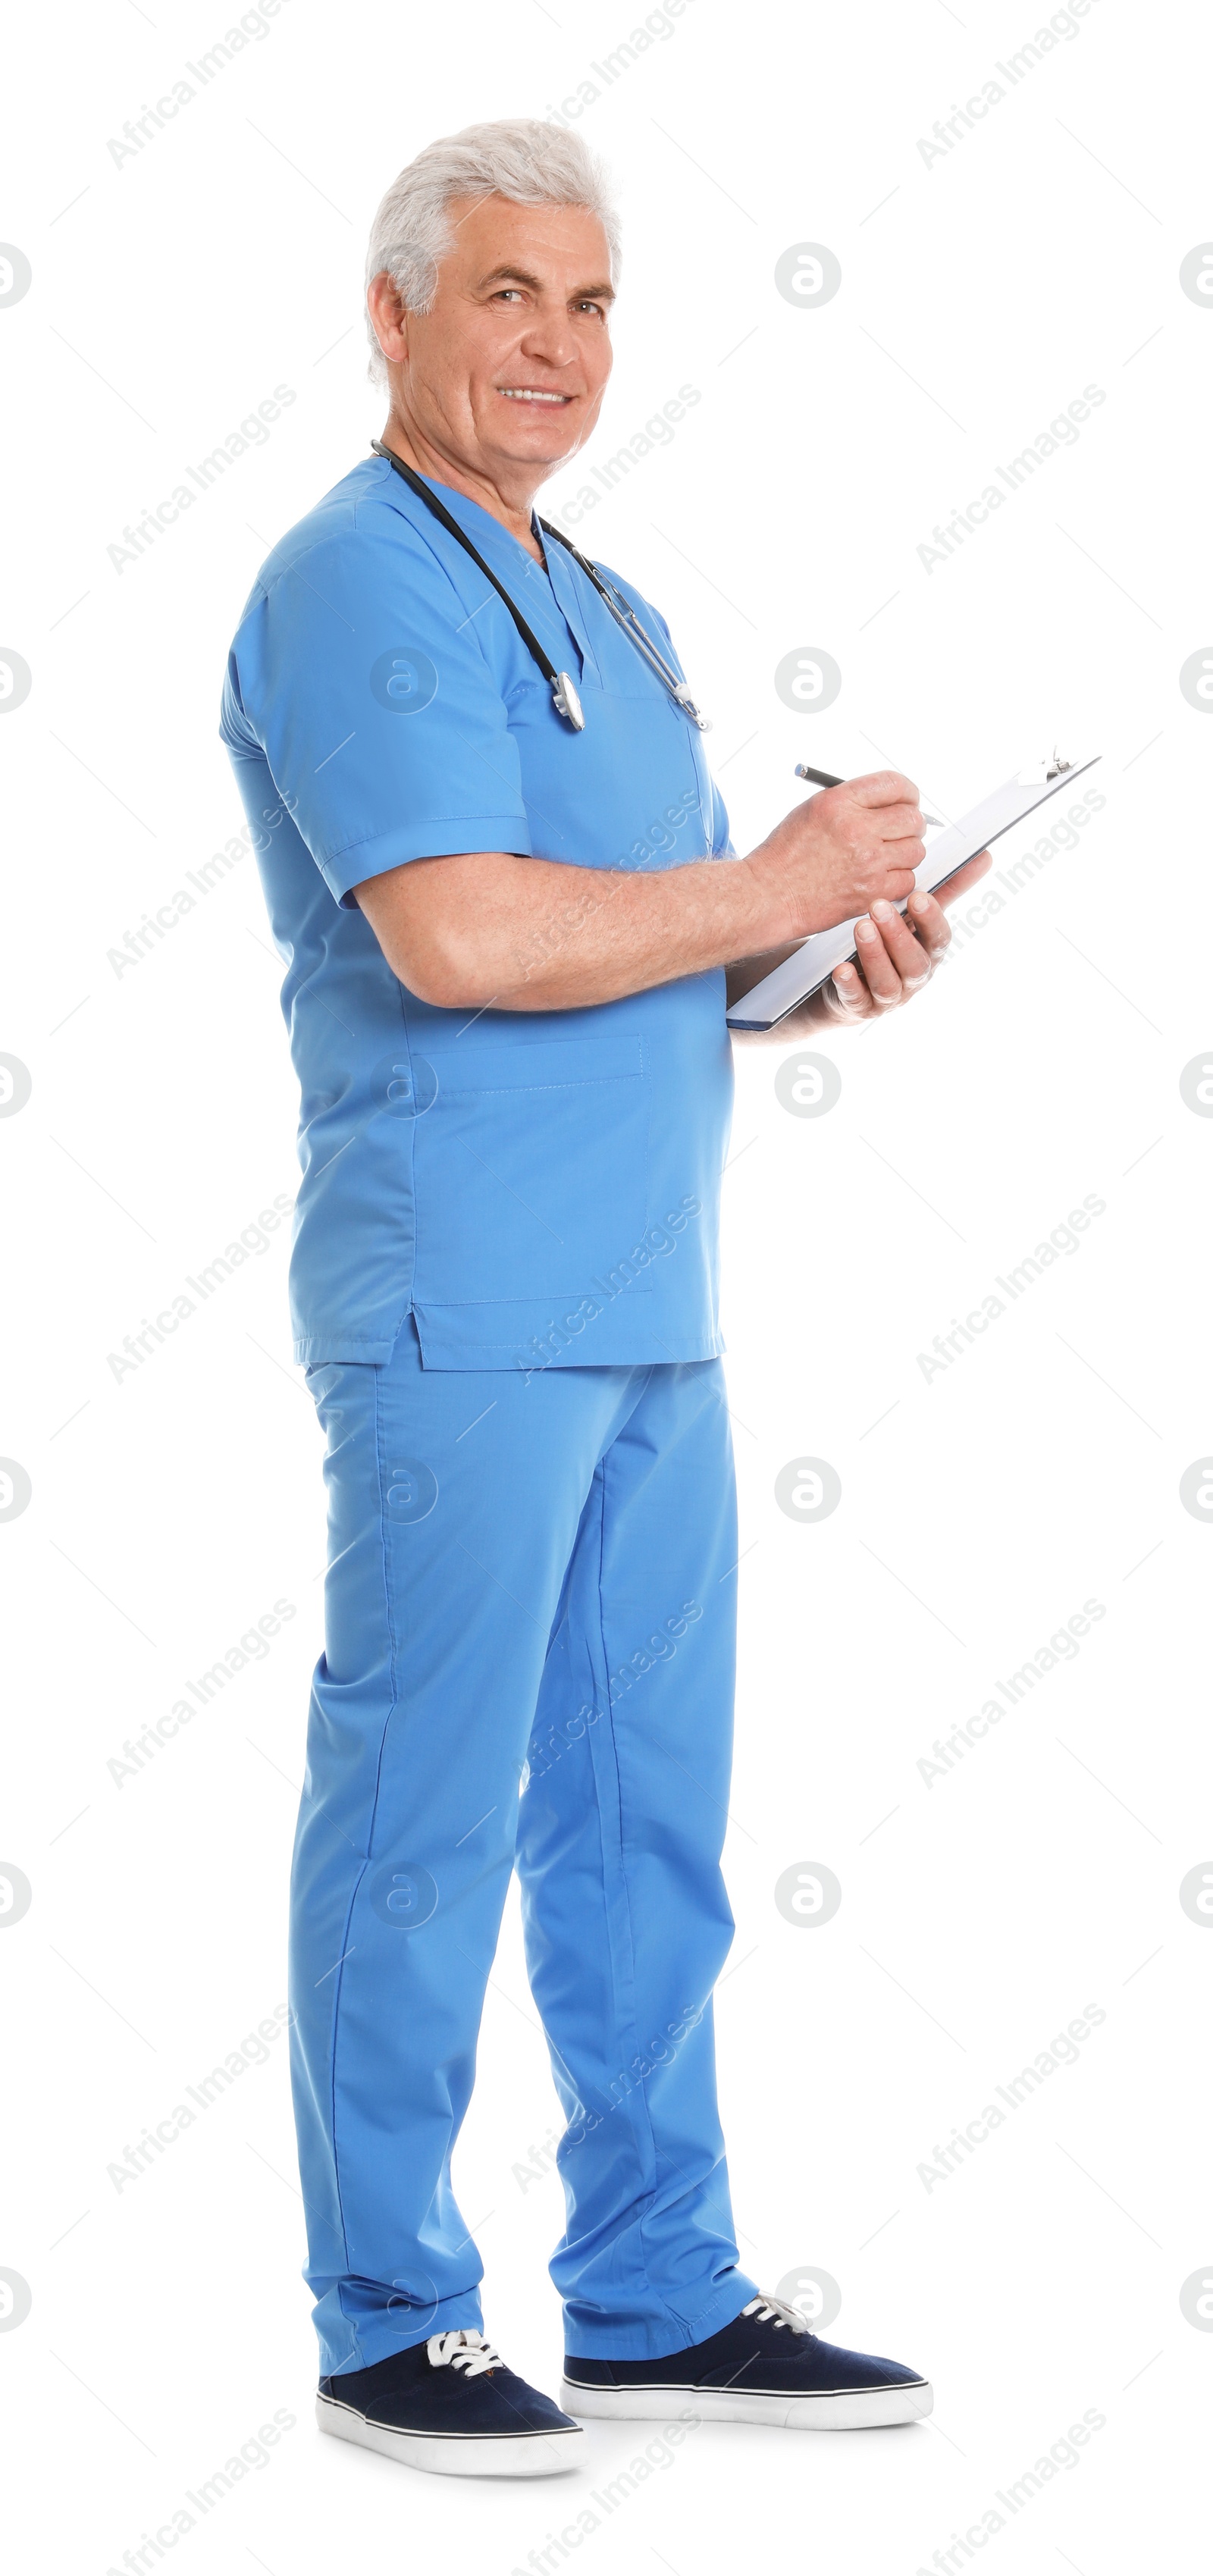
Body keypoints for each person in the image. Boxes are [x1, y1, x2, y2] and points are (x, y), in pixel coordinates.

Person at [219, 118, 990, 2480]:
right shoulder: (353, 584)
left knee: (647, 1823)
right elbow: (453, 933)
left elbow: (632, 942)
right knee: (422, 1815)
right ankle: (389, 2313)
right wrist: (750, 876)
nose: (556, 348)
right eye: (506, 297)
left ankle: (654, 2284)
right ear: (395, 316)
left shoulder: (613, 604)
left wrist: (799, 970)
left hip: (655, 1303)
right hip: (465, 1307)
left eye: (592, 303)